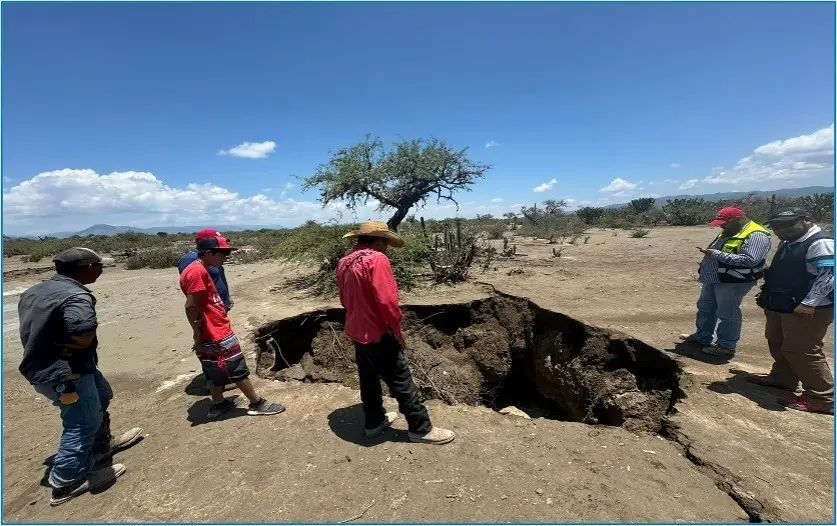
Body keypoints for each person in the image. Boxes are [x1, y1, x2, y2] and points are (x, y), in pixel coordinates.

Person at [18, 247, 143, 506]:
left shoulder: (36, 291)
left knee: (103, 395)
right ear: (87, 268)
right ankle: (67, 482)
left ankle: (99, 448)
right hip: (65, 372)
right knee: (81, 422)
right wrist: (66, 348)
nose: (101, 270)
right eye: (99, 266)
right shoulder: (77, 296)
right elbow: (82, 330)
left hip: (52, 367)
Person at [337, 220, 455, 445]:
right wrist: (397, 330)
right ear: (380, 240)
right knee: (401, 379)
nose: (387, 247)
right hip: (378, 331)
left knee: (368, 379)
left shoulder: (344, 261)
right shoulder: (377, 259)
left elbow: (344, 299)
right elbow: (387, 302)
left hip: (356, 330)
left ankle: (374, 423)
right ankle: (420, 429)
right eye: (386, 242)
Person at [179, 233, 285, 419]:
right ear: (209, 252)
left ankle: (218, 404)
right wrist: (198, 333)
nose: (226, 257)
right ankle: (256, 403)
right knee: (236, 368)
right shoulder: (196, 271)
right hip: (215, 331)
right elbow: (190, 306)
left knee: (213, 370)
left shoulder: (201, 268)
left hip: (211, 329)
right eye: (223, 253)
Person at [748, 208, 834, 414]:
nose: (782, 230)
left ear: (806, 220)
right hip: (782, 303)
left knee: (802, 349)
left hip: (806, 308)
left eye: (787, 225)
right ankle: (783, 379)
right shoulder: (790, 242)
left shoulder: (820, 242)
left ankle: (822, 397)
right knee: (777, 340)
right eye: (777, 227)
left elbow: (829, 275)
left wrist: (810, 303)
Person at [680, 206, 772, 358]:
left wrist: (715, 254)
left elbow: (750, 260)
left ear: (737, 219)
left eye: (724, 222)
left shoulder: (757, 234)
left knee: (727, 312)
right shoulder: (732, 229)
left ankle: (726, 345)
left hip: (733, 280)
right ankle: (703, 336)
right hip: (715, 277)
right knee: (706, 306)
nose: (722, 226)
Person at [178, 228, 233, 312]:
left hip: (219, 304)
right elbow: (193, 287)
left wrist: (227, 298)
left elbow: (219, 278)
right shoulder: (190, 259)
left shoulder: (213, 258)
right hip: (210, 307)